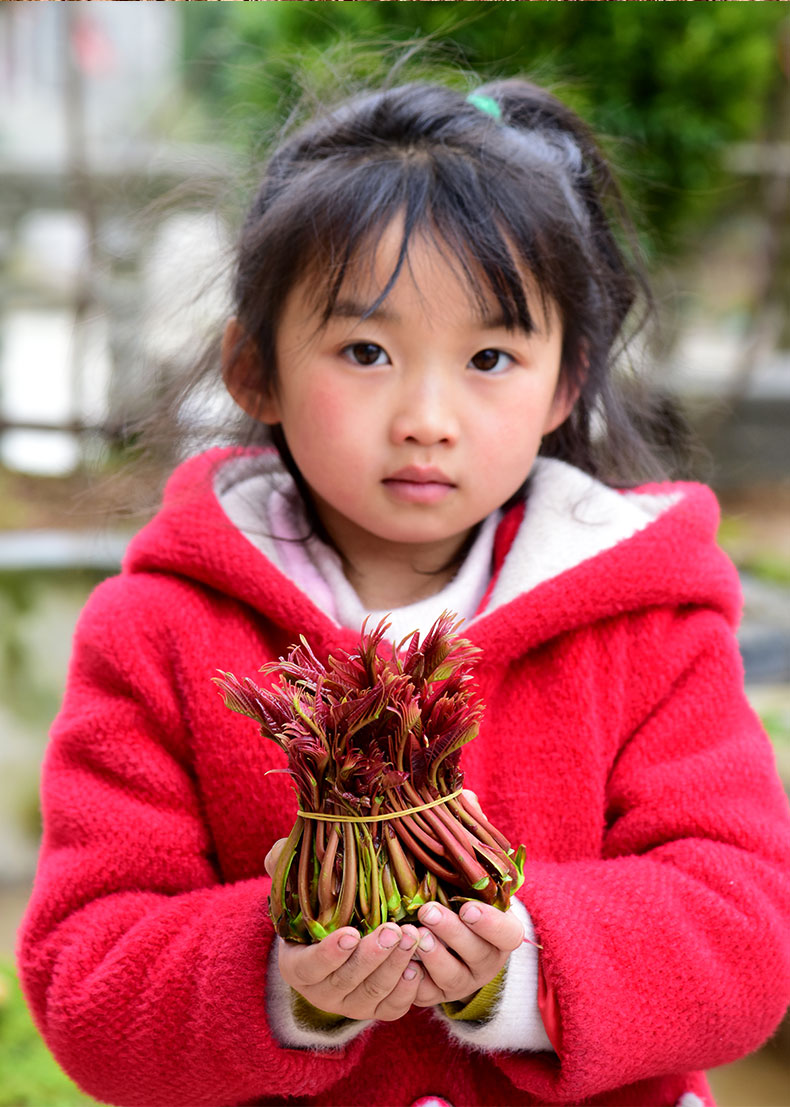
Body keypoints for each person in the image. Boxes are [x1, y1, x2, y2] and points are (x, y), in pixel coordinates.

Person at [16, 76, 790, 1107]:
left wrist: (518, 963)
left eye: (489, 358)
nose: (427, 417)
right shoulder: (157, 630)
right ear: (253, 369)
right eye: (366, 351)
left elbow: (744, 934)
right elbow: (87, 980)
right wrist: (284, 975)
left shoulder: (645, 621)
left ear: (564, 385)